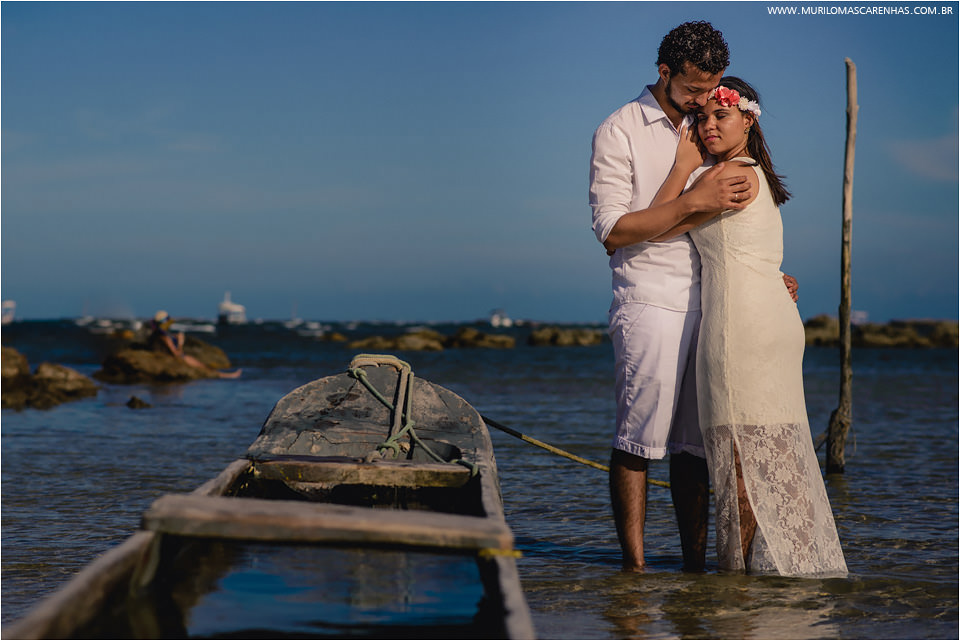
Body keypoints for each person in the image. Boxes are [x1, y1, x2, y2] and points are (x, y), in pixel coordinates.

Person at [650, 77, 847, 576]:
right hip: (768, 317)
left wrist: (681, 166)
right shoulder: (751, 172)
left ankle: (735, 587)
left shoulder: (724, 177)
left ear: (748, 120)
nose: (708, 126)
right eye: (703, 118)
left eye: (722, 116)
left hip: (742, 327)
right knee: (765, 452)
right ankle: (773, 575)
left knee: (739, 463)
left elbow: (649, 226)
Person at [590, 21, 752, 573]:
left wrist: (766, 273)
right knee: (638, 438)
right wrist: (690, 193)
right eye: (691, 90)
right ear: (664, 73)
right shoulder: (620, 128)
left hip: (715, 296)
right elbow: (614, 232)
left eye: (712, 88)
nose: (703, 102)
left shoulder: (713, 123)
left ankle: (693, 570)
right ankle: (632, 573)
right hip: (648, 296)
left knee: (695, 445)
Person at [149, 311, 242, 379]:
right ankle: (226, 376)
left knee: (204, 367)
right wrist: (181, 342)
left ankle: (226, 375)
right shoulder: (164, 337)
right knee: (204, 368)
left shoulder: (158, 334)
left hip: (176, 357)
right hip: (181, 358)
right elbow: (176, 354)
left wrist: (175, 337)